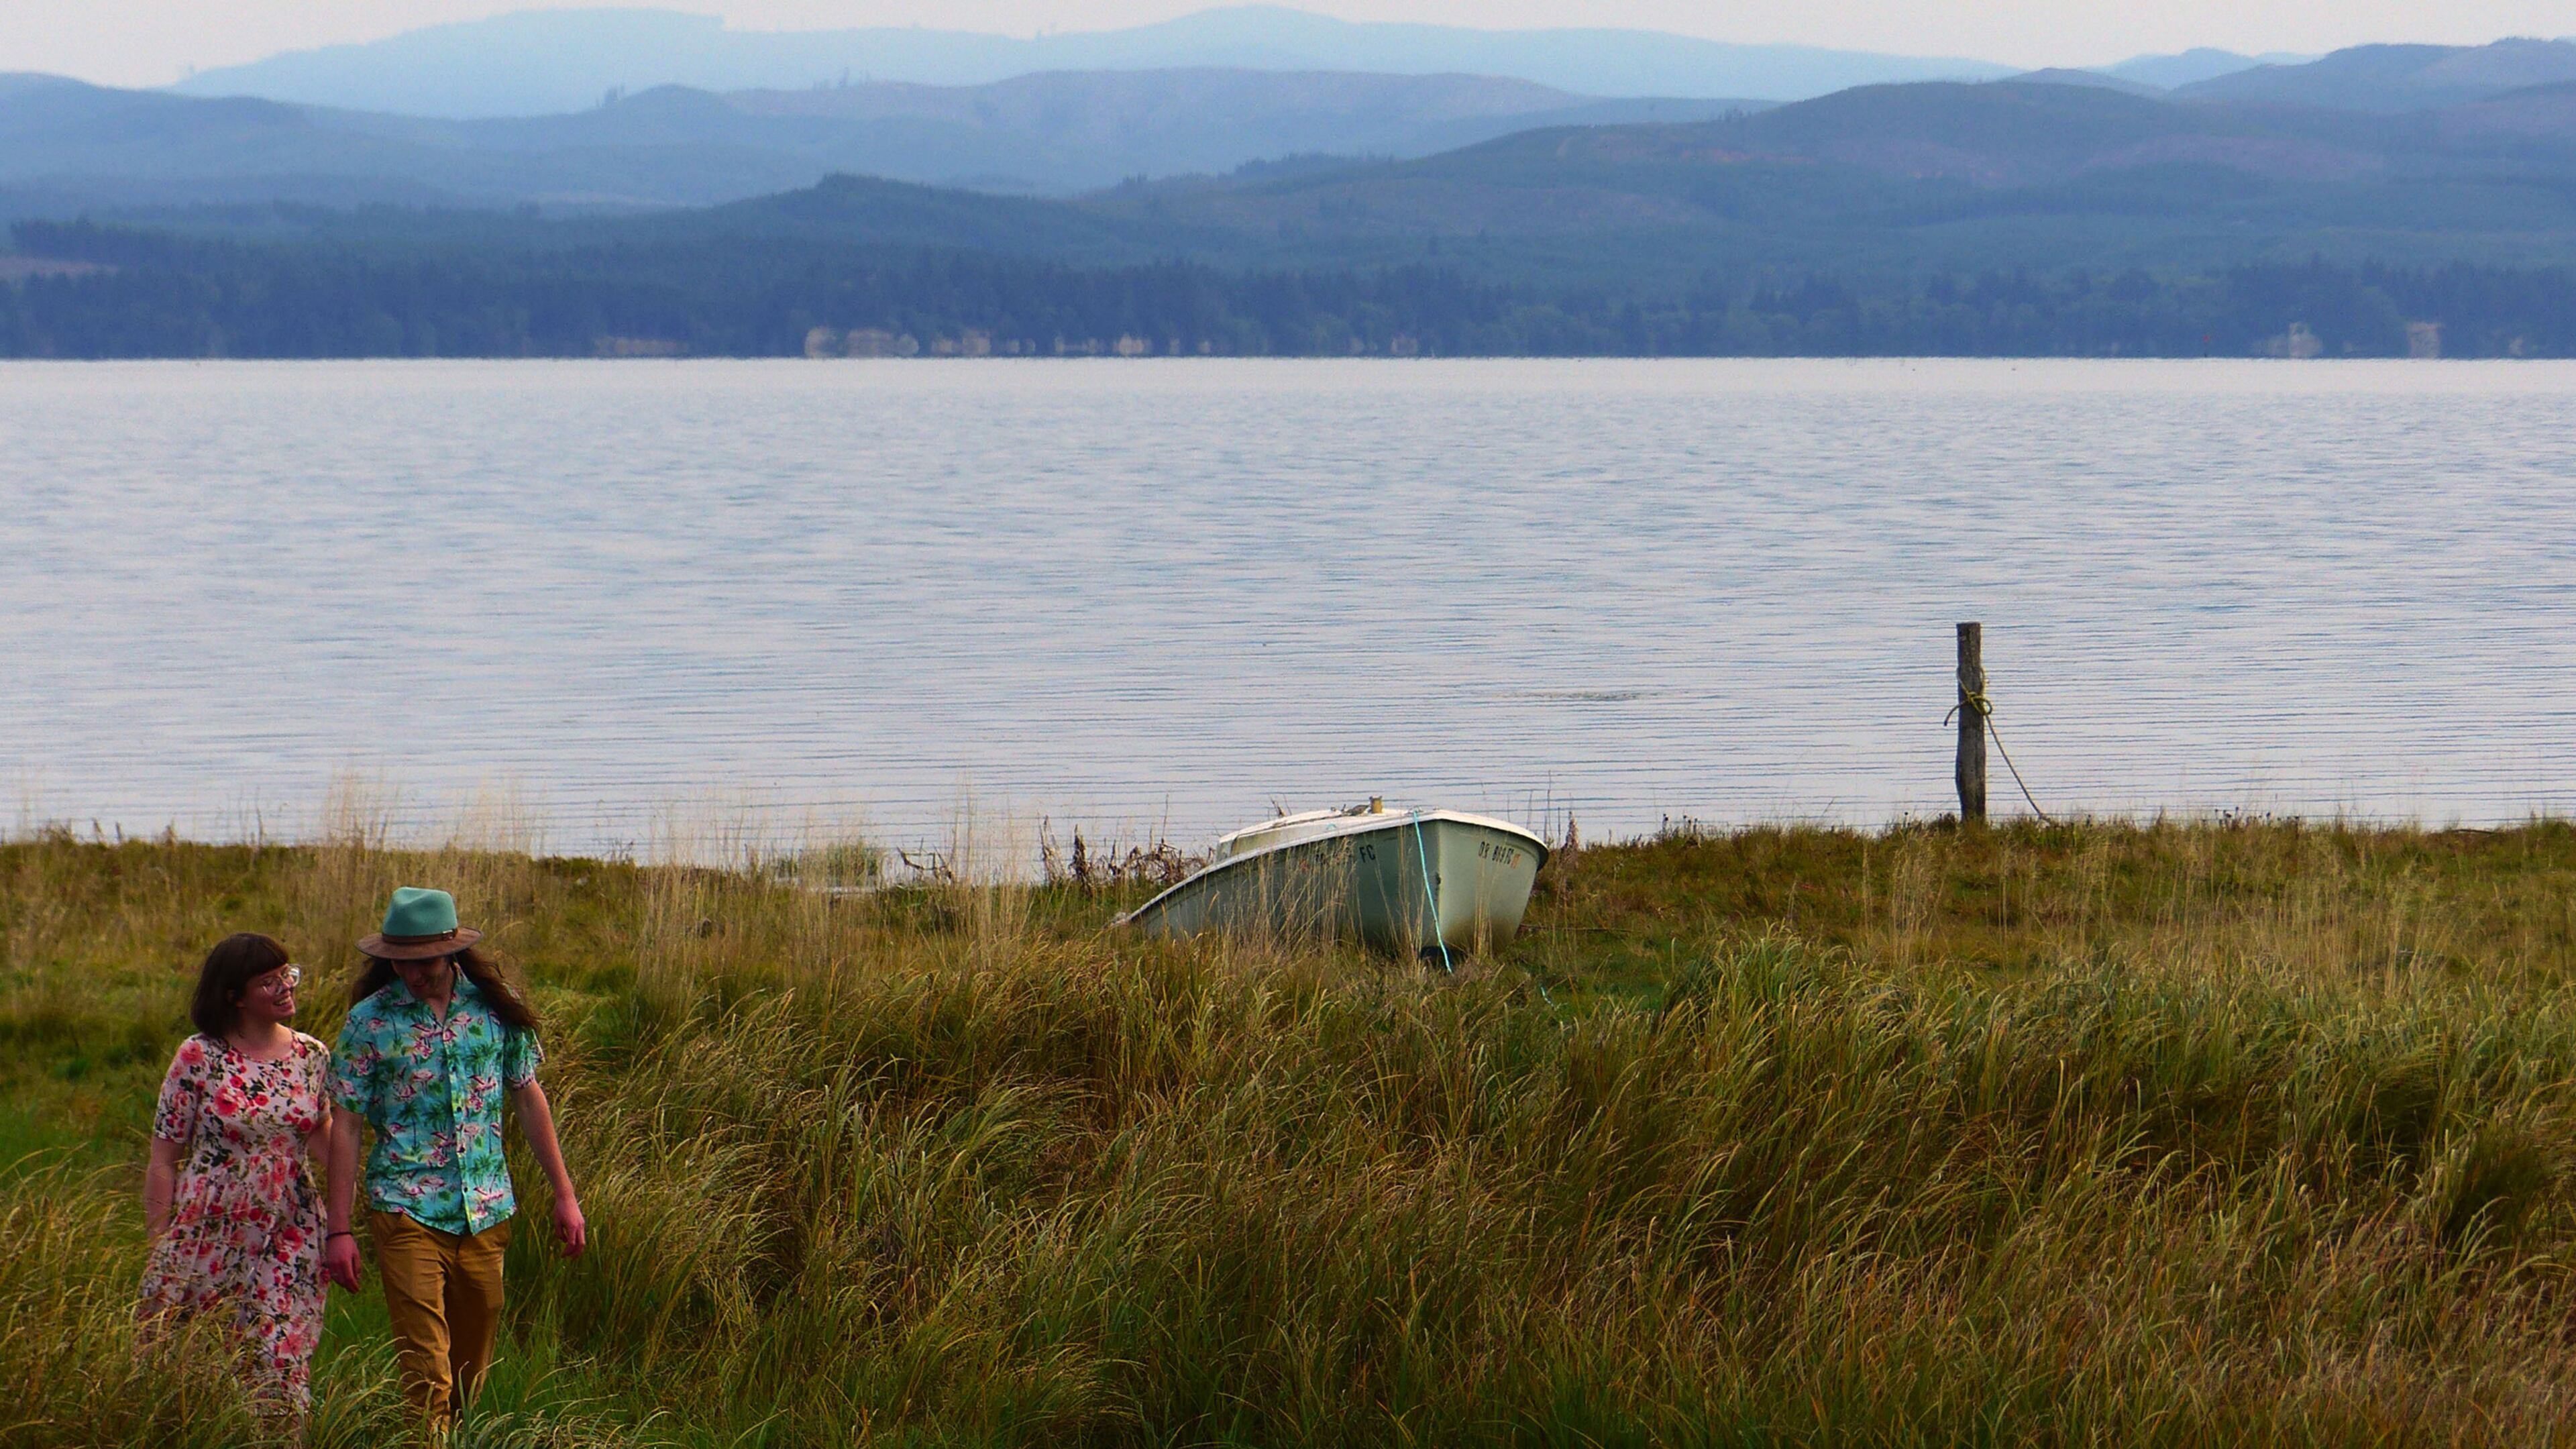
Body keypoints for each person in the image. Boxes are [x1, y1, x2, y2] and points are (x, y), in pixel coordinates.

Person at [323, 886, 586, 1428]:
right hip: (405, 1210)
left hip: (487, 1212)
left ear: (452, 952)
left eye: (424, 962)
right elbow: (345, 1124)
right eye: (399, 962)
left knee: (469, 1373)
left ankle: (458, 1436)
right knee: (427, 1374)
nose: (412, 974)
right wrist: (340, 1229)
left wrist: (565, 1196)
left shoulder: (493, 1006)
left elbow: (527, 1093)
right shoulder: (370, 1022)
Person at [139, 932, 335, 1420]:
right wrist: (160, 1242)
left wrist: (348, 1221)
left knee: (281, 1357)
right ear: (234, 995)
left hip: (291, 1228)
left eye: (288, 975)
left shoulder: (313, 1056)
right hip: (209, 1230)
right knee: (201, 1359)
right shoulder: (198, 1057)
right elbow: (164, 1157)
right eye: (270, 982)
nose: (287, 987)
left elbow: (326, 1139)